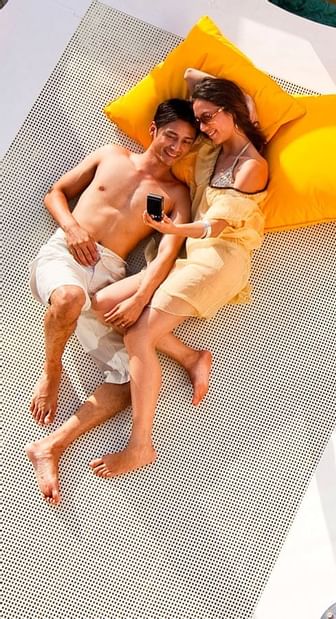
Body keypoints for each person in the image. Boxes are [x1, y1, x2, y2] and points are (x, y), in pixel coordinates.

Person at [25, 99, 211, 505]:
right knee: (71, 297)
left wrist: (140, 295)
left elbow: (166, 255)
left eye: (186, 142)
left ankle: (51, 445)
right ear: (152, 130)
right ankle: (52, 371)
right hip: (65, 256)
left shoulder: (176, 194)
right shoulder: (111, 155)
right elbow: (56, 193)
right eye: (170, 136)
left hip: (108, 274)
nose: (176, 147)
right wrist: (73, 226)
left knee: (135, 379)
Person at [88, 76, 270, 478]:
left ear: (229, 112)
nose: (202, 128)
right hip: (190, 252)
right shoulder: (214, 147)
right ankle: (191, 356)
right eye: (200, 119)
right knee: (101, 305)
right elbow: (191, 74)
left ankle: (141, 444)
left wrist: (171, 230)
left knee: (138, 334)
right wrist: (236, 101)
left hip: (219, 258)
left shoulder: (252, 167)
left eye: (208, 118)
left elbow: (216, 227)